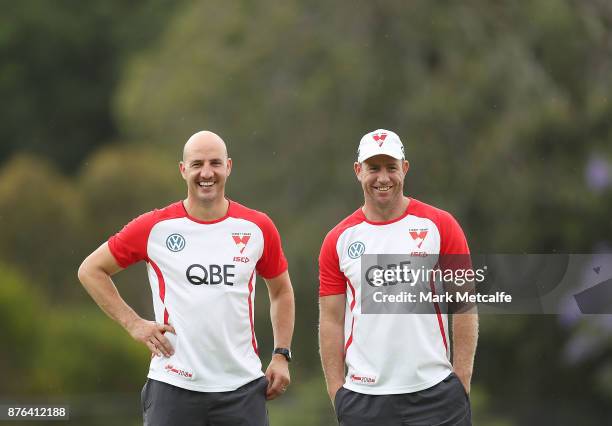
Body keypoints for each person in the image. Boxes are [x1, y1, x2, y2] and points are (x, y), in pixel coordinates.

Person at [78, 131, 295, 426]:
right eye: (197, 164)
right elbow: (91, 270)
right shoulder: (155, 227)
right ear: (183, 170)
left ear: (229, 166)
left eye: (215, 163)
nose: (207, 173)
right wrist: (133, 323)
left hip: (242, 390)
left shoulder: (257, 227)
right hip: (173, 388)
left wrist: (281, 354)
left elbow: (281, 291)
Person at [318, 129, 478, 425]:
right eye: (373, 168)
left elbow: (464, 303)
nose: (383, 178)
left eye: (391, 167)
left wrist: (462, 377)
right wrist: (336, 390)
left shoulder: (440, 225)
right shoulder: (338, 239)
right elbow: (331, 319)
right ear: (358, 171)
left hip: (436, 395)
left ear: (404, 168)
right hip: (364, 399)